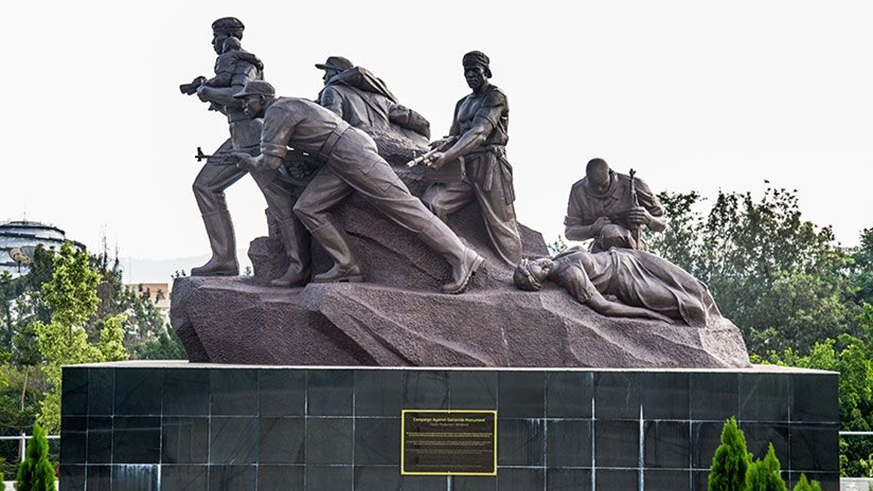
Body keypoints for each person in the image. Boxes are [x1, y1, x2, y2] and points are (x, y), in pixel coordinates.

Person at [230, 81, 484, 294]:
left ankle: (461, 255)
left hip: (350, 152)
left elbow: (269, 163)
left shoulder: (277, 111)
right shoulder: (287, 105)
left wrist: (248, 161)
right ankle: (347, 266)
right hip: (336, 158)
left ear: (262, 98)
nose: (243, 105)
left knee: (402, 206)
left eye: (247, 99)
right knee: (308, 207)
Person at [182, 17, 312, 287]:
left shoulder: (243, 62)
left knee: (278, 200)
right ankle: (223, 260)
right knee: (205, 186)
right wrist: (206, 90)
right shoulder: (231, 64)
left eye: (215, 36)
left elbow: (241, 95)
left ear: (228, 35)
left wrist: (209, 92)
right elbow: (230, 100)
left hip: (254, 135)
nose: (212, 43)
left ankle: (299, 266)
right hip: (237, 135)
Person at [420, 51, 522, 266]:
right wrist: (443, 144)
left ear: (486, 71)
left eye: (475, 70)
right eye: (466, 71)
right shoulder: (462, 103)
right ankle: (458, 259)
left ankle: (516, 273)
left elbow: (479, 132)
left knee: (502, 225)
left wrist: (447, 155)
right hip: (463, 168)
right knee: (431, 204)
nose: (470, 75)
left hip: (489, 166)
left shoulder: (495, 96)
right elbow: (455, 134)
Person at [513, 249, 723, 327]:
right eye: (538, 271)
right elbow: (605, 307)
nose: (541, 265)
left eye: (534, 262)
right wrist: (651, 315)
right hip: (629, 282)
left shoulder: (558, 257)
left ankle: (716, 319)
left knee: (687, 282)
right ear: (539, 283)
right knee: (685, 305)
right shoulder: (571, 276)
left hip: (630, 257)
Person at [315, 56, 430, 143]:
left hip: (358, 144)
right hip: (387, 144)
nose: (324, 77)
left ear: (337, 72)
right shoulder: (381, 99)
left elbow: (330, 125)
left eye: (327, 72)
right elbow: (412, 119)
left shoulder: (332, 91)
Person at [565, 158, 666, 252]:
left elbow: (662, 224)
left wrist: (649, 219)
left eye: (603, 185)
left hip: (632, 244)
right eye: (594, 187)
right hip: (599, 247)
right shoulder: (578, 191)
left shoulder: (634, 184)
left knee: (610, 232)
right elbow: (569, 232)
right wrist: (593, 229)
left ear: (610, 173)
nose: (599, 190)